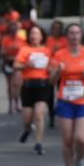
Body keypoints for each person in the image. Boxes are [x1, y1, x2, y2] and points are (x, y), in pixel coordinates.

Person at [50, 23, 84, 166]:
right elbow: (51, 80)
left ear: (81, 35)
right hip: (65, 101)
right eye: (71, 33)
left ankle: (80, 160)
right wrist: (58, 71)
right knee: (67, 139)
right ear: (67, 36)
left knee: (81, 139)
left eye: (77, 33)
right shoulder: (59, 55)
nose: (75, 36)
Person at [13, 25, 52, 154]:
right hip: (28, 86)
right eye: (32, 33)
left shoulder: (47, 51)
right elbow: (16, 65)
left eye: (37, 33)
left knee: (39, 114)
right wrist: (25, 65)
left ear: (42, 36)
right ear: (29, 36)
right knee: (27, 119)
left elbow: (53, 66)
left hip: (43, 85)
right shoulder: (25, 50)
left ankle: (38, 143)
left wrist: (53, 70)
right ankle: (27, 129)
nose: (34, 36)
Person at [0, 22, 26, 114]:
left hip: (18, 64)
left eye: (16, 28)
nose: (14, 30)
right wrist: (10, 57)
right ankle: (10, 105)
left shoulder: (22, 39)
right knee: (10, 85)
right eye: (12, 28)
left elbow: (25, 52)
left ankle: (17, 103)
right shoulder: (5, 39)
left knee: (17, 85)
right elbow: (2, 52)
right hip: (8, 63)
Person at [45, 20, 68, 128]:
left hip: (62, 70)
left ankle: (57, 109)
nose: (56, 30)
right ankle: (51, 117)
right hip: (50, 70)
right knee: (49, 94)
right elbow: (45, 53)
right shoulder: (48, 40)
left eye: (58, 28)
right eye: (54, 28)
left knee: (62, 93)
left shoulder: (65, 40)